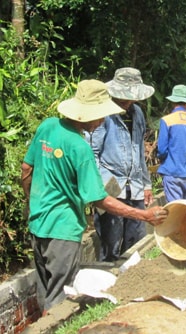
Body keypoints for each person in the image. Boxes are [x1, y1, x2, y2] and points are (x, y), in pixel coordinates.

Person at [21, 79, 167, 314]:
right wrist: (143, 215)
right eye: (100, 116)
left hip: (38, 224)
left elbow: (26, 169)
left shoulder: (47, 127)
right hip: (63, 230)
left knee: (45, 290)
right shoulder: (81, 149)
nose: (101, 122)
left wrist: (31, 203)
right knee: (59, 300)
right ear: (86, 115)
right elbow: (99, 199)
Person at [86, 67, 155, 262]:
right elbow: (93, 152)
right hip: (111, 188)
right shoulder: (105, 115)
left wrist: (146, 184)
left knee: (136, 243)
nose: (126, 101)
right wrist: (98, 187)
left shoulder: (137, 113)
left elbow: (139, 150)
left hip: (135, 188)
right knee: (111, 245)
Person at [157, 84, 186, 202]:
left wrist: (163, 160)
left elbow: (162, 150)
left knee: (176, 208)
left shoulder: (167, 120)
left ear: (173, 102)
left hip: (172, 172)